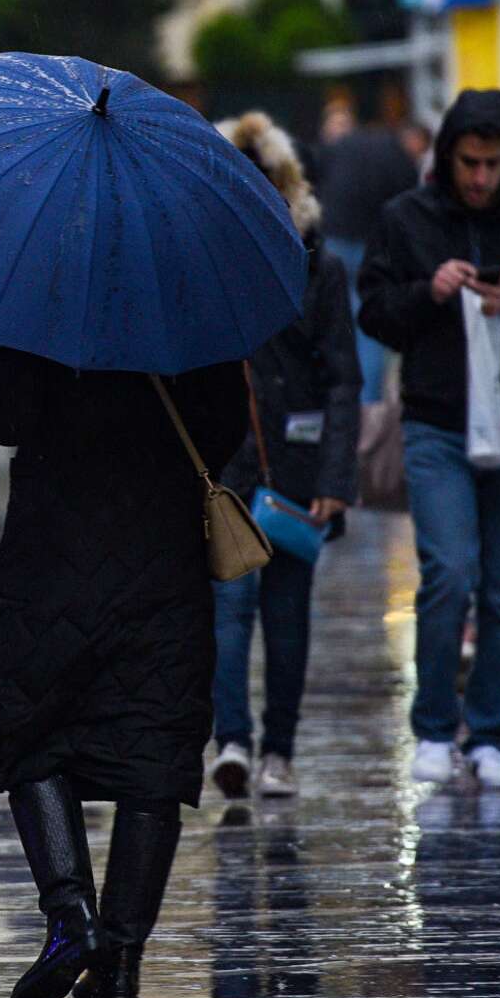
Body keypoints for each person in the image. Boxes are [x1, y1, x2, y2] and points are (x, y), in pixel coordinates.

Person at [0, 344, 247, 998]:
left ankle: (69, 915)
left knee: (28, 726)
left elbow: (5, 412)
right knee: (154, 751)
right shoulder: (191, 295)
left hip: (53, 560)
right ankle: (117, 965)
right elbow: (224, 426)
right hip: (162, 555)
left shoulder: (43, 290)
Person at [358, 89, 500, 790]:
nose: (480, 177)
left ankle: (491, 731)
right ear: (448, 157)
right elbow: (374, 312)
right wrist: (429, 291)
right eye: (468, 162)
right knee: (449, 574)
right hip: (435, 420)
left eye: (491, 163)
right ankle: (434, 726)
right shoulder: (408, 218)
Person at [205, 113, 362, 801]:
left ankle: (281, 750)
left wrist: (336, 475)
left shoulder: (317, 264)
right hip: (223, 466)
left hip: (296, 467)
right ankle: (233, 740)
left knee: (288, 613)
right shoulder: (204, 261)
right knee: (229, 607)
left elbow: (344, 377)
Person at [315, 120, 420, 405]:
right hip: (368, 243)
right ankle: (366, 405)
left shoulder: (342, 146)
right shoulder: (395, 154)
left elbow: (316, 178)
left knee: (336, 319)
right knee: (367, 325)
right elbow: (408, 202)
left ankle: (336, 397)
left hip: (333, 236)